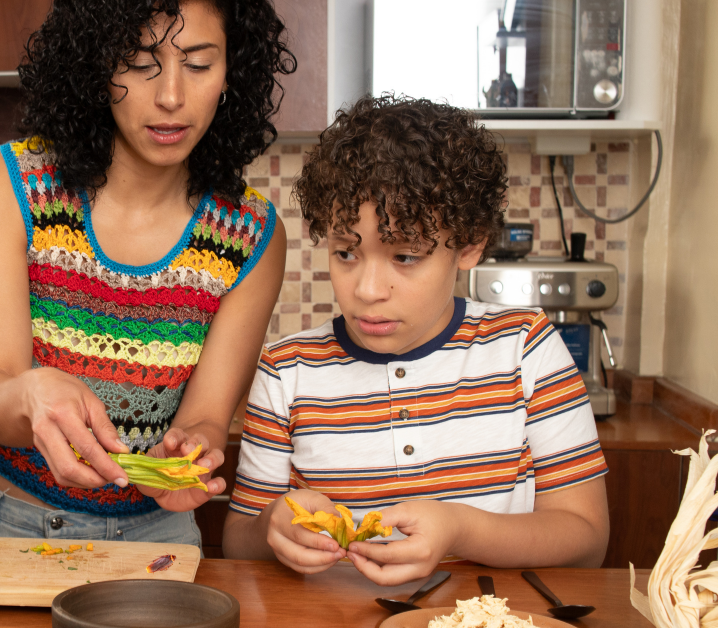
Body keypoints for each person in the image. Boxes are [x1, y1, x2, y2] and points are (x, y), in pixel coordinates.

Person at [0, 0, 293, 545]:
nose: (171, 96)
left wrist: (187, 454)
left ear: (231, 73)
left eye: (198, 64)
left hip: (154, 535)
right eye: (140, 62)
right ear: (94, 66)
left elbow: (207, 419)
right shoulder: (7, 186)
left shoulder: (252, 235)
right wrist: (28, 393)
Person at [221, 95, 610, 584]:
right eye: (346, 253)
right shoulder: (288, 370)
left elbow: (588, 539)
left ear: (469, 245)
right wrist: (272, 530)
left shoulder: (525, 349)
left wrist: (460, 530)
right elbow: (239, 540)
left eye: (405, 257)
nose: (366, 290)